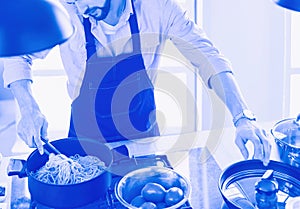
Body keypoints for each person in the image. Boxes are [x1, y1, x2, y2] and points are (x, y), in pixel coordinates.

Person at [2, 0, 271, 165]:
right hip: (83, 143)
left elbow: (207, 57)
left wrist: (242, 118)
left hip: (142, 138)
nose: (79, 8)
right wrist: (28, 107)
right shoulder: (68, 9)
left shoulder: (158, 7)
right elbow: (18, 53)